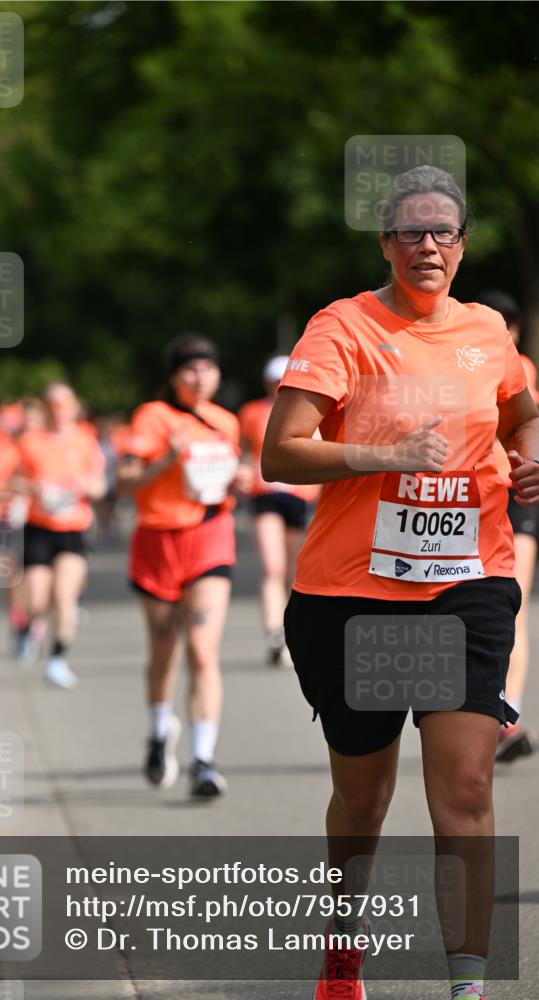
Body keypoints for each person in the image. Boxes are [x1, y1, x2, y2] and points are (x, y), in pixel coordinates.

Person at [262, 166, 539, 1000]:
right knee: (363, 799)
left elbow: (521, 410)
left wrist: (529, 458)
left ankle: (467, 986)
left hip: (466, 583)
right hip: (353, 598)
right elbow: (279, 453)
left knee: (464, 789)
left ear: (461, 246)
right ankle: (343, 953)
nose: (427, 245)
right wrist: (381, 457)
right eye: (410, 232)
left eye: (442, 232)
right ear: (385, 244)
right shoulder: (343, 327)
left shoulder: (487, 331)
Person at [117, 334, 245, 798]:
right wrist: (167, 459)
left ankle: (204, 761)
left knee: (202, 650)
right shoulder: (154, 418)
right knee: (164, 651)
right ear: (173, 377)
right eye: (189, 369)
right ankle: (158, 730)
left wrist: (241, 479)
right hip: (158, 542)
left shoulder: (226, 423)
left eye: (207, 369)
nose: (199, 377)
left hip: (210, 539)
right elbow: (125, 481)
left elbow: (229, 476)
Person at [12, 383, 107, 688]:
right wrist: (37, 489)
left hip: (73, 527)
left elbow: (100, 485)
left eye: (65, 404)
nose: (59, 410)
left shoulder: (85, 440)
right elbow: (14, 480)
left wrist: (85, 487)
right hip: (39, 525)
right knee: (37, 598)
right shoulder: (29, 441)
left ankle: (57, 659)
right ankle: (27, 627)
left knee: (65, 597)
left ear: (74, 406)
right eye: (53, 404)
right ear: (45, 408)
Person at [477, 291, 539, 762]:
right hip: (474, 495)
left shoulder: (519, 368)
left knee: (511, 602)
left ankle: (506, 714)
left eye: (509, 325)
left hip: (515, 493)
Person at [239, 356, 320, 666]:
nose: (278, 386)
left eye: (282, 380)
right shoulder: (251, 412)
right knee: (272, 567)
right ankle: (273, 633)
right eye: (274, 381)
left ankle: (290, 632)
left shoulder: (312, 408)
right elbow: (244, 451)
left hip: (300, 496)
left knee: (292, 570)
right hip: (265, 494)